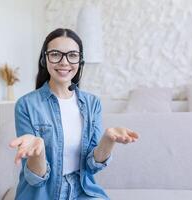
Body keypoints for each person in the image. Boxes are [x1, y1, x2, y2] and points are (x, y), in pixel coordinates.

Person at [9, 28, 139, 200]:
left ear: (80, 60)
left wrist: (108, 139)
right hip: (41, 194)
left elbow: (92, 167)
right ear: (44, 59)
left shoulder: (93, 104)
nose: (64, 62)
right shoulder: (26, 105)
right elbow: (35, 179)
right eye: (56, 54)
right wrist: (38, 152)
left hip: (81, 190)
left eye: (72, 55)